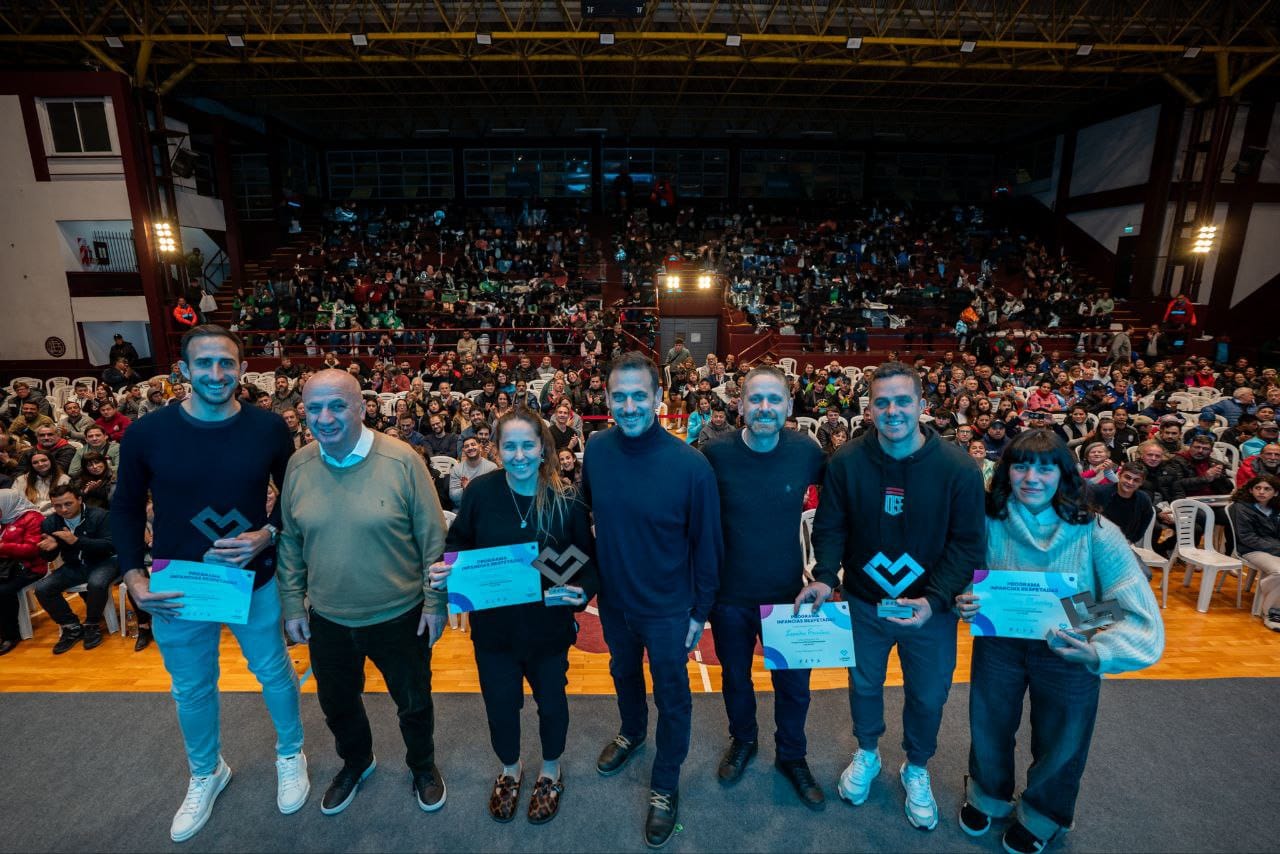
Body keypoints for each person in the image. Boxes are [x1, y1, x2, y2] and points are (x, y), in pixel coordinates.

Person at [111, 325, 307, 842]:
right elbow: (125, 507)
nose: (216, 373)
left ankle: (291, 753)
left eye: (226, 363)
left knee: (273, 671)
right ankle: (206, 771)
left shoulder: (268, 428)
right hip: (177, 586)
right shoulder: (147, 432)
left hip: (252, 578)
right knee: (191, 687)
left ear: (242, 369)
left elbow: (294, 496)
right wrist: (132, 574)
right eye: (204, 363)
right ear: (184, 370)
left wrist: (268, 533)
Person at [954, 429, 1163, 854]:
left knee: (1063, 739)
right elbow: (964, 575)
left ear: (1064, 474)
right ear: (1006, 472)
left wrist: (1095, 644)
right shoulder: (988, 521)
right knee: (990, 725)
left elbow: (1132, 607)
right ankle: (987, 796)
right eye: (1021, 466)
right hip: (999, 644)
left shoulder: (1096, 530)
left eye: (1045, 469)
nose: (1032, 478)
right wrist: (965, 598)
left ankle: (1043, 815)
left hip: (1071, 650)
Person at [797, 361, 986, 831]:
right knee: (863, 686)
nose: (892, 411)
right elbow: (831, 527)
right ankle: (867, 752)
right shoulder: (845, 462)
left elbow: (967, 544)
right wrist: (825, 576)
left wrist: (935, 600)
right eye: (882, 402)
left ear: (922, 405)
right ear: (869, 408)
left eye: (903, 401)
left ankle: (916, 766)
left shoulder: (958, 468)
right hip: (864, 603)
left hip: (930, 611)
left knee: (929, 695)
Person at [277, 369, 449, 817]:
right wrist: (292, 602)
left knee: (413, 703)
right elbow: (291, 541)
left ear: (361, 408)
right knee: (337, 705)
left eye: (337, 406)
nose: (325, 418)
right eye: (314, 408)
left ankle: (422, 765)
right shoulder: (299, 465)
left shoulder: (402, 460)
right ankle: (357, 762)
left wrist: (436, 602)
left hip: (401, 614)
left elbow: (433, 539)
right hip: (328, 618)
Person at [430, 409, 599, 825]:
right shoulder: (481, 493)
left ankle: (551, 770)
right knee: (501, 707)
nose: (519, 455)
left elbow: (589, 561)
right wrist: (446, 568)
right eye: (510, 446)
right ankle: (510, 768)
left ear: (543, 449)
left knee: (552, 705)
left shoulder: (566, 498)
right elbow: (458, 542)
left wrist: (583, 591)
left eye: (528, 445)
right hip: (494, 632)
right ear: (497, 450)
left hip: (548, 629)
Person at [581, 352, 723, 848]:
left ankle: (665, 783)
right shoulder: (596, 449)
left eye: (639, 395)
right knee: (622, 674)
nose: (629, 406)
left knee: (673, 697)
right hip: (614, 601)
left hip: (669, 609)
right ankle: (632, 731)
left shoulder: (692, 466)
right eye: (619, 396)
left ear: (659, 397)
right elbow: (586, 516)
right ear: (606, 398)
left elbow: (708, 546)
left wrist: (700, 612)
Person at [702, 366, 827, 807]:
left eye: (774, 399)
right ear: (739, 404)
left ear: (789, 406)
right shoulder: (714, 454)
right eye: (755, 399)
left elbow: (834, 513)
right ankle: (743, 739)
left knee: (794, 686)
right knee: (735, 678)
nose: (765, 407)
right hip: (729, 597)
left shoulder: (807, 451)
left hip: (788, 596)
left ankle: (792, 755)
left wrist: (826, 573)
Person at [32, 484, 119, 654]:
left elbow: (110, 545)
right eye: (57, 506)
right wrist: (48, 550)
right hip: (74, 565)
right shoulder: (50, 523)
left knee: (96, 583)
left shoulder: (100, 515)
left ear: (79, 499)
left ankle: (92, 625)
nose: (63, 509)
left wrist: (77, 541)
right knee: (42, 588)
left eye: (68, 504)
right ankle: (71, 627)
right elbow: (48, 558)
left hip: (104, 561)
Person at [1227, 475, 1280, 628]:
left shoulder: (1276, 509)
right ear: (1251, 490)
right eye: (1258, 488)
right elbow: (1247, 538)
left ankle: (1269, 591)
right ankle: (1272, 614)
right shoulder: (1240, 507)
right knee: (1278, 573)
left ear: (1275, 493)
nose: (1261, 492)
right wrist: (1277, 548)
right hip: (1251, 550)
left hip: (1273, 548)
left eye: (1267, 489)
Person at [0, 489, 48, 655]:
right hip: (7, 566)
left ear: (7, 504)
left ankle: (11, 635)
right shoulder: (5, 518)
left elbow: (33, 549)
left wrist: (2, 547)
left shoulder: (33, 518)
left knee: (3, 591)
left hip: (31, 567)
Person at [1090, 462, 1155, 549]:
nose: (1130, 482)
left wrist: (1133, 539)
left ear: (1141, 483)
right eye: (1127, 477)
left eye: (1136, 480)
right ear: (1119, 475)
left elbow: (1147, 517)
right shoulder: (1099, 492)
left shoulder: (1143, 499)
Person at [449, 436, 498, 507]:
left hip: (485, 508)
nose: (470, 448)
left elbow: (494, 494)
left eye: (473, 444)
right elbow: (453, 496)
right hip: (463, 508)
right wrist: (464, 489)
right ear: (463, 450)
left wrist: (470, 488)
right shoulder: (456, 469)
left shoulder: (491, 467)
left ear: (480, 447)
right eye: (466, 446)